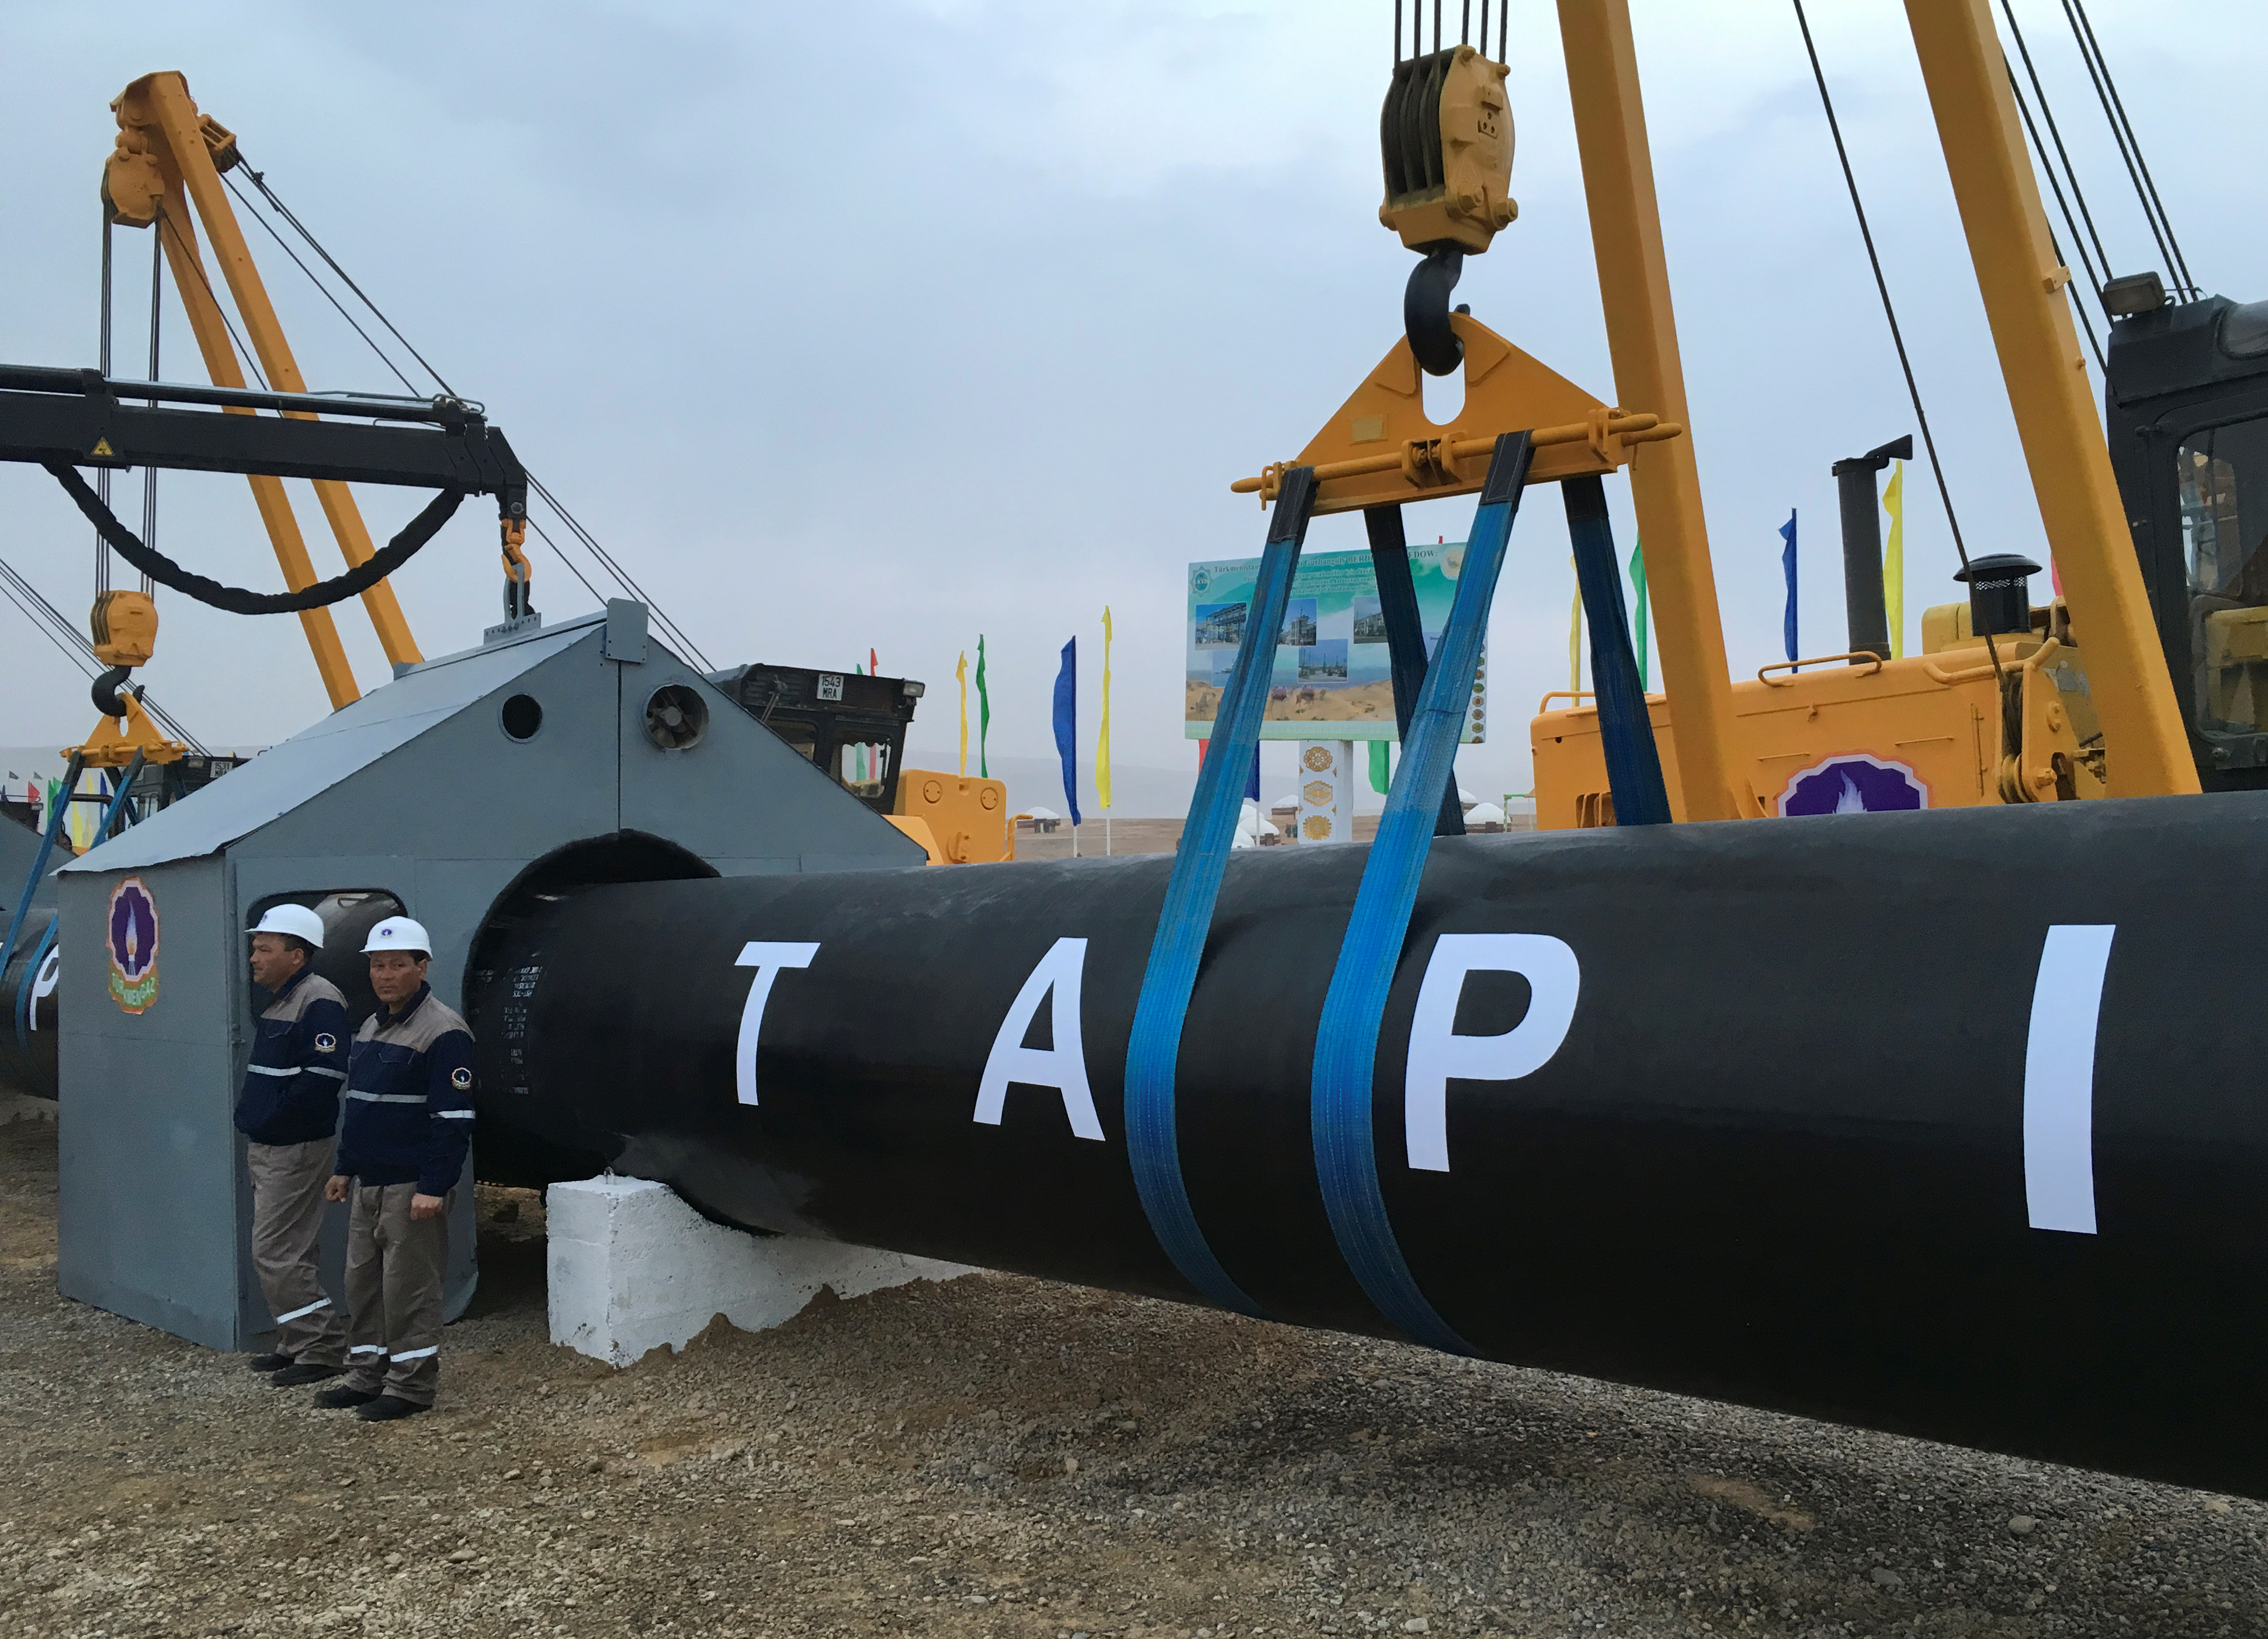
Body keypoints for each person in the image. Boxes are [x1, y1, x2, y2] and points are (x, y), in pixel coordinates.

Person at [312, 916, 474, 1422]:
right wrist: (343, 1166)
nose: (385, 975)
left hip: (410, 1188)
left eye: (397, 965)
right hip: (367, 1182)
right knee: (363, 1285)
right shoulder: (371, 1024)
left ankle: (411, 1386)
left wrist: (434, 1185)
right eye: (377, 965)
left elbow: (454, 1119)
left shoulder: (444, 1032)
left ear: (421, 967)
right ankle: (366, 1374)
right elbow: (360, 1106)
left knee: (409, 1289)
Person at [237, 904, 352, 1387]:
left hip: (294, 1147)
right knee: (290, 1248)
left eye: (265, 949)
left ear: (297, 954)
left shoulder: (319, 1000)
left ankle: (320, 1344)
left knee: (274, 1248)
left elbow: (322, 1078)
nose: (254, 958)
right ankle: (295, 1341)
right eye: (255, 949)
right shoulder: (285, 998)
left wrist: (273, 1117)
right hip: (272, 1144)